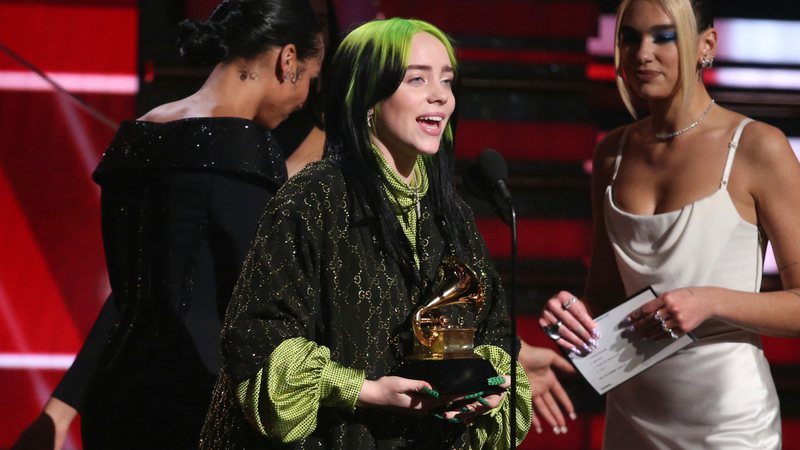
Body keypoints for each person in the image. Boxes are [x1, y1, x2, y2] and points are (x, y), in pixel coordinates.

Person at [199, 17, 532, 450]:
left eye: (446, 82)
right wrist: (366, 389)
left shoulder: (451, 214)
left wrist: (481, 389)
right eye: (417, 79)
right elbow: (257, 341)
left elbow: (492, 333)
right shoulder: (314, 198)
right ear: (368, 97)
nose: (440, 96)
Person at [11, 1, 324, 449]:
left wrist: (61, 409)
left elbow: (130, 298)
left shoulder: (141, 133)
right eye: (310, 81)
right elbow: (264, 303)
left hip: (115, 394)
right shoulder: (243, 149)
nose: (303, 101)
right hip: (197, 396)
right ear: (287, 60)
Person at [539, 0, 800, 448]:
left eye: (663, 36)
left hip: (728, 425)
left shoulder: (758, 146)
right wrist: (573, 318)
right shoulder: (612, 154)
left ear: (707, 46)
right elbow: (604, 297)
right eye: (630, 38)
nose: (642, 53)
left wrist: (710, 301)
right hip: (630, 418)